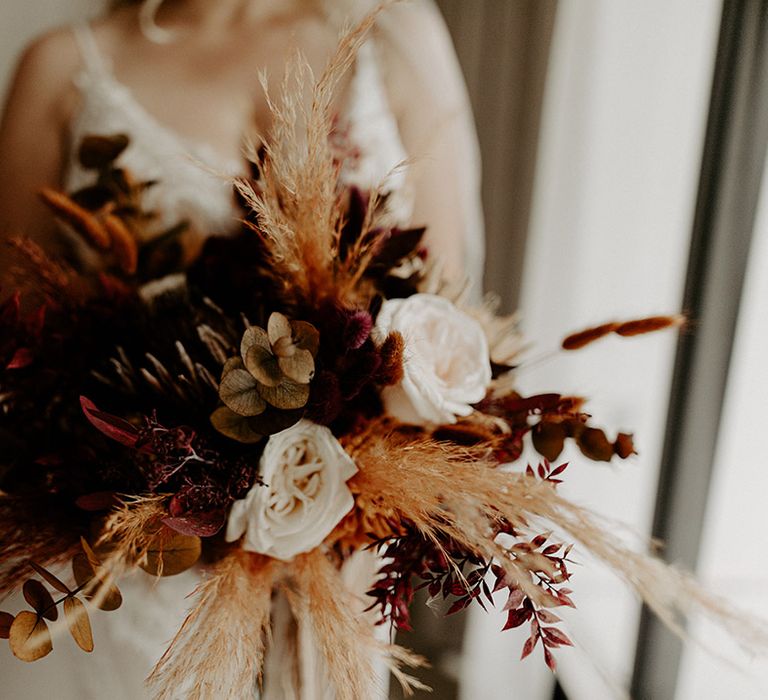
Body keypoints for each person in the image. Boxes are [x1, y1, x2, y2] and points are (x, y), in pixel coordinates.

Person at [0, 1, 484, 697]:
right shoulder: (64, 67)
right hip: (136, 573)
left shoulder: (394, 40)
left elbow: (445, 319)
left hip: (336, 570)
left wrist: (352, 483)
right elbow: (21, 354)